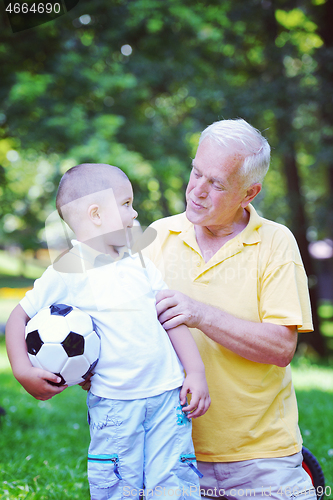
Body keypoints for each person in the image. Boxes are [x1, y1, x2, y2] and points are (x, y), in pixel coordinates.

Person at [5, 163, 210, 500]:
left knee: (174, 484)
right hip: (115, 404)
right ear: (97, 214)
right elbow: (18, 317)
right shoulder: (66, 272)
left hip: (167, 397)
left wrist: (196, 371)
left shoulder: (140, 263)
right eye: (126, 204)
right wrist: (23, 370)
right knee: (116, 486)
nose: (135, 214)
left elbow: (170, 319)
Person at [144, 119, 317, 500]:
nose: (197, 191)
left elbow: (280, 348)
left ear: (248, 193)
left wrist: (200, 314)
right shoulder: (156, 238)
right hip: (170, 453)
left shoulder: (275, 243)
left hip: (261, 457)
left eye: (217, 184)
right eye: (196, 172)